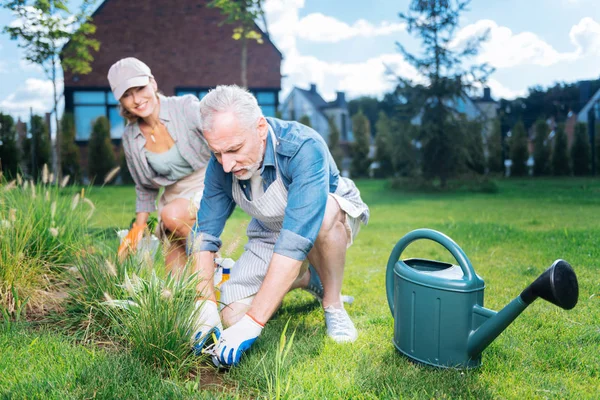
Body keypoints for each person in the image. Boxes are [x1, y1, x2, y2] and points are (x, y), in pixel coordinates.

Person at [187, 85, 369, 366]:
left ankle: (333, 303)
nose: (226, 165)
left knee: (323, 216)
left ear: (260, 128)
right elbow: (204, 236)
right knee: (232, 315)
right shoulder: (220, 166)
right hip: (270, 228)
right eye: (217, 153)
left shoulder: (303, 147)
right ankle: (307, 279)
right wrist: (205, 305)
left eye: (234, 149)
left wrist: (254, 323)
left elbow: (295, 240)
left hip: (330, 214)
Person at [107, 57, 211, 274]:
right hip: (173, 196)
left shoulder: (185, 107)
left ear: (152, 83)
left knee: (172, 216)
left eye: (139, 88)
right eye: (126, 95)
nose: (136, 99)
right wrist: (138, 228)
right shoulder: (130, 137)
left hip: (209, 182)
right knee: (176, 283)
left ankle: (215, 265)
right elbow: (144, 186)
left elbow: (220, 135)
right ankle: (302, 278)